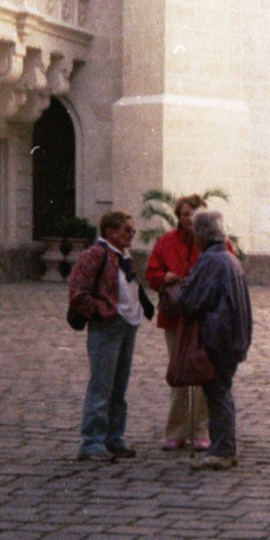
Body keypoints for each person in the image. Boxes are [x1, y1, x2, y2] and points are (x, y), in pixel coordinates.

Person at [68, 210, 153, 462]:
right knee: (102, 385)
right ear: (110, 232)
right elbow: (77, 292)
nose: (132, 234)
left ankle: (113, 438)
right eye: (127, 230)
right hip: (108, 326)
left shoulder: (124, 255)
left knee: (119, 387)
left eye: (132, 230)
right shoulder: (95, 255)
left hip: (128, 325)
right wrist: (104, 312)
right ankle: (91, 442)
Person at [175, 209, 253, 470]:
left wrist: (177, 291)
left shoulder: (212, 261)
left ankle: (222, 450)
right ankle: (225, 448)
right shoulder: (227, 258)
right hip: (232, 337)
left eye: (194, 232)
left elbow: (191, 300)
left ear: (202, 234)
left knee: (217, 393)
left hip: (218, 338)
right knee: (221, 392)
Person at [145, 194, 211, 452]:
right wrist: (166, 276)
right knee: (179, 373)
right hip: (175, 318)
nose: (189, 219)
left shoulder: (213, 242)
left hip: (204, 318)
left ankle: (201, 431)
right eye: (185, 214)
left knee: (203, 375)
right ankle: (176, 432)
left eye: (194, 214)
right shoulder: (166, 242)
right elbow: (151, 273)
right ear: (178, 216)